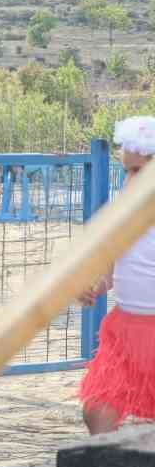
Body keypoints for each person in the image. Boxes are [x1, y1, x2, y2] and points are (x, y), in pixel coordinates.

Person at [77, 116, 155, 434]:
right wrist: (93, 283)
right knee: (97, 409)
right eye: (126, 172)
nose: (129, 181)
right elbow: (107, 270)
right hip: (123, 331)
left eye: (138, 171)